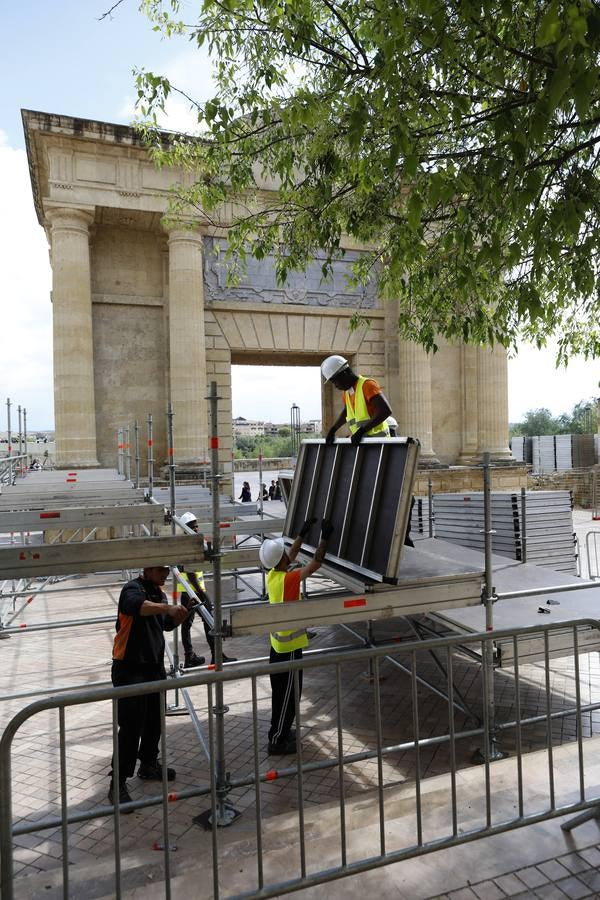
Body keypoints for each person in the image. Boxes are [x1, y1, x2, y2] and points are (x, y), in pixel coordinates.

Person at [109, 565, 188, 809]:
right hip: (129, 666)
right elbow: (136, 607)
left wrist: (179, 617)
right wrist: (168, 607)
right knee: (131, 726)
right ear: (148, 569)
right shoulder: (132, 589)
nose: (166, 574)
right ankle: (118, 782)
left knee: (155, 720)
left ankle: (148, 764)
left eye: (167, 570)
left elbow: (163, 624)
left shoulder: (159, 593)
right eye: (162, 570)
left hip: (153, 666)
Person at [259, 517, 333, 755]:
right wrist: (325, 538)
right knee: (288, 698)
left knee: (283, 696)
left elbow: (289, 555)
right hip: (288, 652)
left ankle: (279, 731)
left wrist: (301, 534)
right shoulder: (288, 579)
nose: (287, 556)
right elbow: (315, 565)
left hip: (278, 650)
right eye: (283, 554)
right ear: (280, 560)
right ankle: (278, 741)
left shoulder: (273, 575)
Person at [176, 511, 237, 667]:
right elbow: (190, 572)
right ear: (185, 528)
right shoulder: (187, 545)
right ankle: (215, 656)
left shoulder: (189, 542)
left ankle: (193, 657)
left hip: (189, 591)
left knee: (190, 625)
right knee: (209, 622)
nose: (196, 529)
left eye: (196, 526)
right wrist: (201, 593)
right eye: (193, 527)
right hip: (192, 591)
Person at [321, 355, 392, 446]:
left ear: (345, 373)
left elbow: (385, 411)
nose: (336, 386)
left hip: (379, 443)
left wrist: (362, 431)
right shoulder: (347, 392)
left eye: (335, 381)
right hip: (364, 444)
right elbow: (347, 411)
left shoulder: (367, 385)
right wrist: (333, 429)